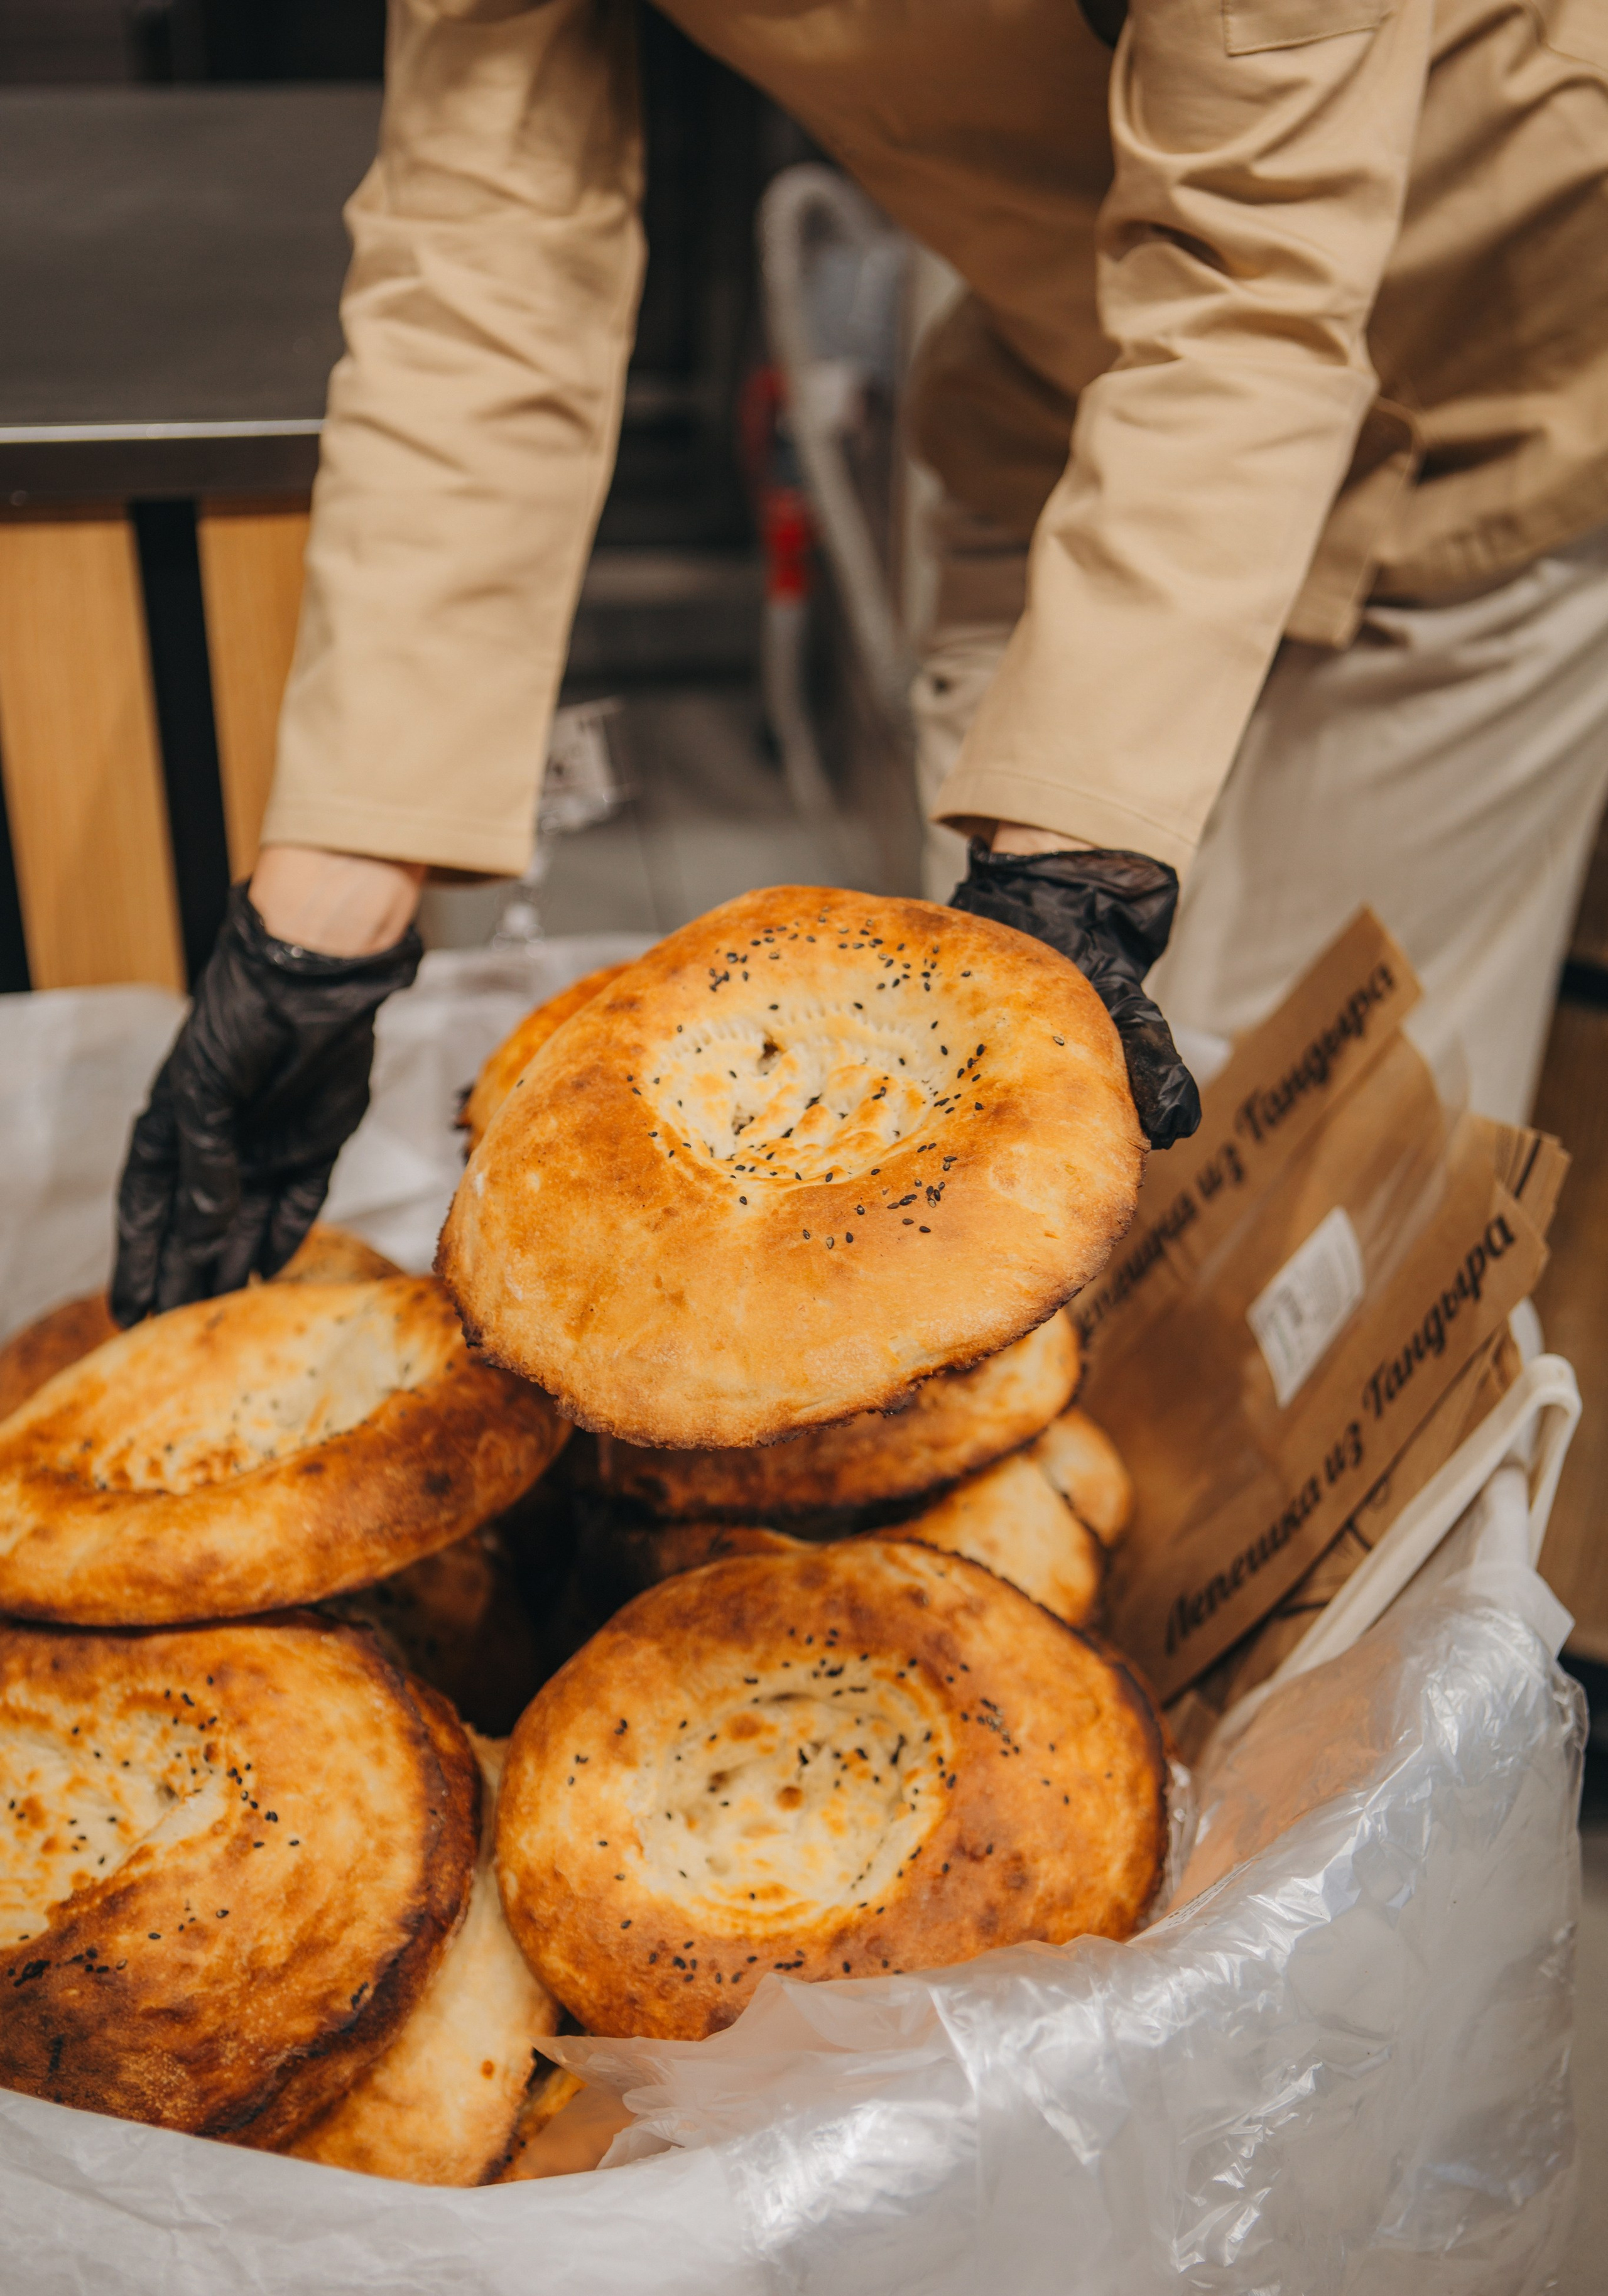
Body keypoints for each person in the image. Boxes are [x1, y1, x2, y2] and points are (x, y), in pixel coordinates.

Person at [113, 0, 1608, 1323]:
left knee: (1297, 1241)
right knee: (978, 1229)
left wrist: (1070, 861)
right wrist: (326, 918)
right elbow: (482, 256)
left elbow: (1249, 281)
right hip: (1055, 366)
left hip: (1483, 380)